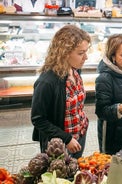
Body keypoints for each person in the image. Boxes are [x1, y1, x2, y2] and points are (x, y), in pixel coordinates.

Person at [31, 24, 91, 159]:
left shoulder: (75, 70)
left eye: (86, 52)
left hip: (80, 133)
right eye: (81, 53)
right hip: (60, 143)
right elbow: (38, 119)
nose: (85, 57)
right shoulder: (47, 82)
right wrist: (67, 139)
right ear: (64, 53)